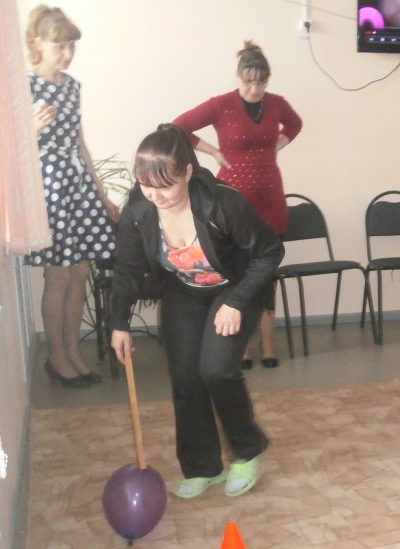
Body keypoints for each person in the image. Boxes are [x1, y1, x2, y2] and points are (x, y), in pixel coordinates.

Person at [109, 125, 283, 499]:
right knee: (186, 378)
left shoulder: (222, 203)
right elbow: (127, 268)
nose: (155, 195)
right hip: (184, 292)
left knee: (217, 371)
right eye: (145, 184)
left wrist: (236, 302)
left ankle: (247, 452)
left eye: (165, 185)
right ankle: (203, 467)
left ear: (187, 172)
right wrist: (119, 323)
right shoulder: (139, 210)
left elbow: (270, 252)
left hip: (235, 288)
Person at [173, 41, 303, 370]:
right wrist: (213, 152)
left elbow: (295, 124)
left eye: (261, 82)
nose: (254, 89)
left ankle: (268, 342)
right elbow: (178, 127)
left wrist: (277, 146)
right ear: (238, 77)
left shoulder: (276, 104)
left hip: (271, 199)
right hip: (232, 201)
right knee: (236, 272)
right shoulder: (221, 105)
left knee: (266, 271)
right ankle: (239, 344)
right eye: (248, 82)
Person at [24, 5, 118, 388]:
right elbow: (8, 153)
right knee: (58, 276)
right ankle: (56, 357)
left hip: (78, 186)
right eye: (59, 46)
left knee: (79, 273)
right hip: (49, 188)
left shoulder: (72, 87)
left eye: (71, 47)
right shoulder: (25, 86)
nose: (67, 54)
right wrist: (30, 130)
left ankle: (74, 354)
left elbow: (80, 144)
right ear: (37, 43)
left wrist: (102, 195)